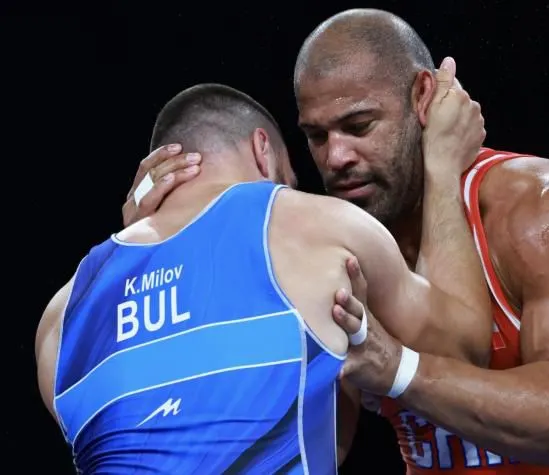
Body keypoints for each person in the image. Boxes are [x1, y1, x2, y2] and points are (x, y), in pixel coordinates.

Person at [124, 8, 549, 475]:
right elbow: (312, 448)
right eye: (316, 136)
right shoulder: (336, 245)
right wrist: (158, 248)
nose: (335, 158)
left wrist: (401, 370)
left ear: (423, 98)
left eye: (359, 126)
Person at [35, 68, 491, 474]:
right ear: (263, 152)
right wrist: (443, 166)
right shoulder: (313, 225)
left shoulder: (61, 317)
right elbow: (467, 350)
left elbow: (176, 436)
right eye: (289, 178)